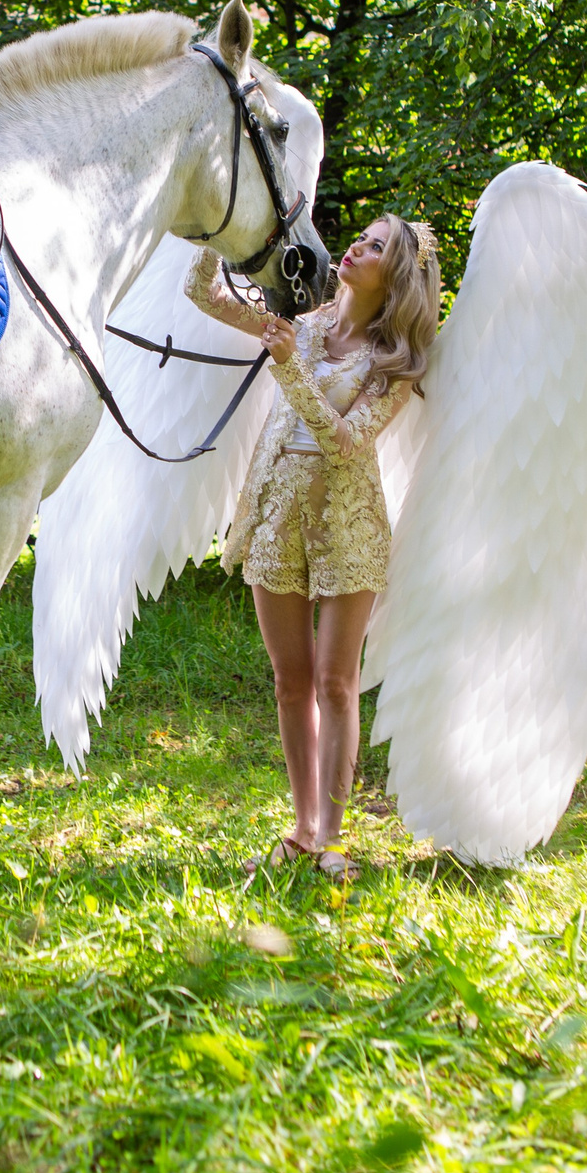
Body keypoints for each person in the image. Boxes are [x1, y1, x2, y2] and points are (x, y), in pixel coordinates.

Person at [185, 215, 441, 878]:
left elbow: (348, 440)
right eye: (361, 236)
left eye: (376, 244)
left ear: (398, 274)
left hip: (346, 525)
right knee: (289, 681)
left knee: (335, 681)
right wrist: (219, 233)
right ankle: (301, 827)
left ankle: (332, 837)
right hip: (274, 514)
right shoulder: (304, 323)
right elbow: (203, 296)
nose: (356, 244)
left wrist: (291, 371)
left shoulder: (395, 361)